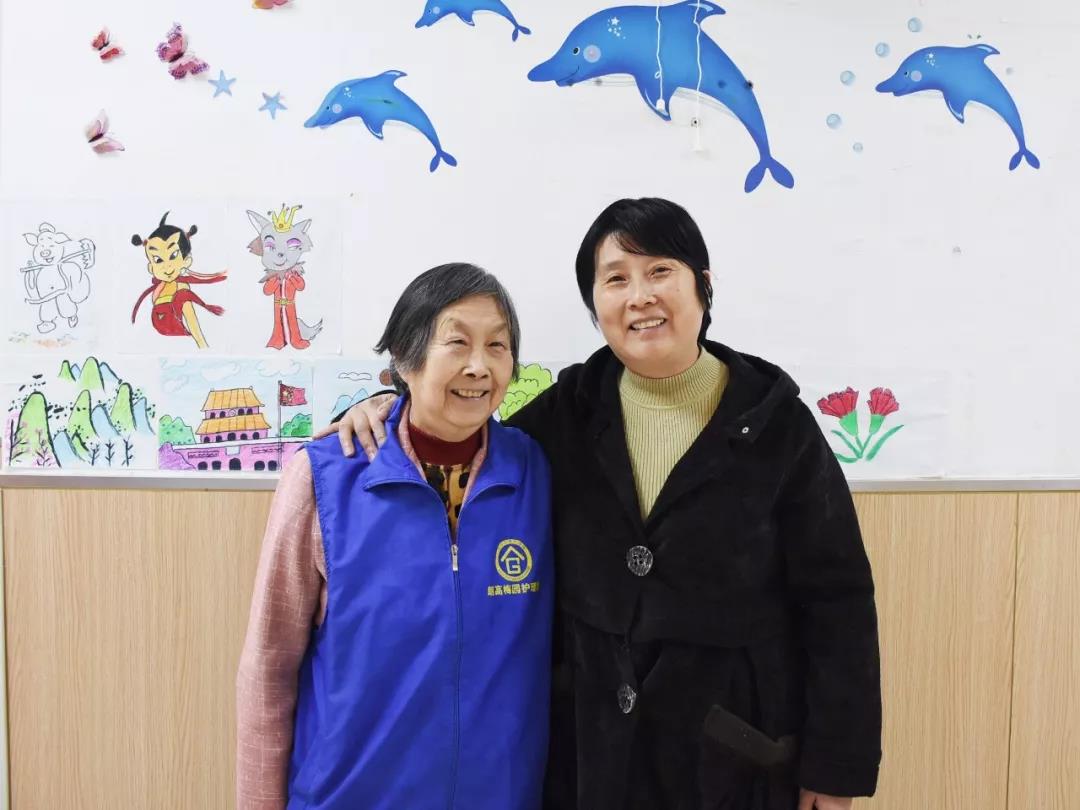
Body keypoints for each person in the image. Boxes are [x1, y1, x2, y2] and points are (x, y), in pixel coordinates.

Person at [326, 199, 882, 810]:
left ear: (703, 285)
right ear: (596, 308)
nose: (639, 296)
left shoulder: (776, 424)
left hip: (729, 759)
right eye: (616, 279)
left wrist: (835, 768)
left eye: (660, 270)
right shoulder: (566, 413)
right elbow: (463, 431)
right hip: (589, 759)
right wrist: (383, 409)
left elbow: (837, 599)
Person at [237, 263, 554, 809]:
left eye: (498, 346)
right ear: (405, 359)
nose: (479, 366)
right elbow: (269, 668)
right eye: (457, 342)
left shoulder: (537, 471)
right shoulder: (324, 477)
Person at [130, 212, 226, 348]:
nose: (166, 266)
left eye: (173, 255)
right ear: (151, 267)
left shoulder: (181, 290)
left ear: (186, 261)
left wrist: (202, 345)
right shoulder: (159, 288)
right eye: (158, 259)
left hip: (181, 342)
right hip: (158, 344)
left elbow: (193, 325)